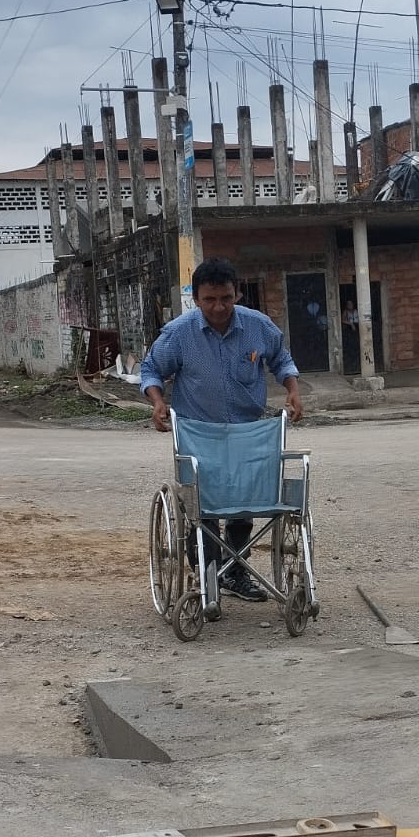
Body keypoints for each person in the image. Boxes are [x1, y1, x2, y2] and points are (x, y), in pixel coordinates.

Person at [140, 257, 303, 601]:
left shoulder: (258, 327)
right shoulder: (179, 333)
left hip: (247, 432)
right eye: (210, 299)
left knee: (245, 503)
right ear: (196, 299)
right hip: (199, 434)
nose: (218, 307)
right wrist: (157, 401)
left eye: (226, 298)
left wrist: (293, 390)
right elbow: (152, 369)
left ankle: (236, 573)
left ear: (237, 294)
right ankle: (208, 575)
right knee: (203, 509)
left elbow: (282, 360)